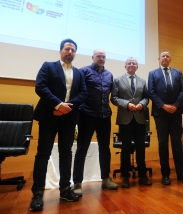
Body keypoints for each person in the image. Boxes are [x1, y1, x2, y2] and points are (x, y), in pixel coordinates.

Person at [30, 39, 87, 211]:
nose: (70, 52)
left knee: (66, 154)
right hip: (49, 116)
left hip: (68, 118)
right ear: (61, 50)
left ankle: (64, 189)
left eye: (73, 50)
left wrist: (66, 108)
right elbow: (40, 87)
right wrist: (58, 105)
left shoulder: (79, 73)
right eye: (67, 49)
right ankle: (38, 193)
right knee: (43, 154)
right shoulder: (48, 66)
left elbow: (83, 93)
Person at [73, 49, 118, 195]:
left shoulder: (109, 75)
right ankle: (77, 183)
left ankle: (105, 178)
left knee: (105, 149)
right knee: (82, 149)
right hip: (87, 115)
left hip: (105, 116)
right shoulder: (83, 71)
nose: (101, 58)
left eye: (104, 56)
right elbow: (77, 92)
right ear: (93, 57)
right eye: (98, 56)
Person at [148, 50, 183, 185]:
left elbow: (182, 90)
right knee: (163, 144)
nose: (165, 58)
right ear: (159, 59)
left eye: (168, 56)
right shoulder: (152, 73)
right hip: (160, 113)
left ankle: (181, 174)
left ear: (171, 59)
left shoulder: (177, 72)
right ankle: (165, 175)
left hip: (176, 112)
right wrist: (163, 106)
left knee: (177, 143)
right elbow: (151, 92)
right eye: (163, 56)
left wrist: (175, 105)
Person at [111, 57, 151, 188]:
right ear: (125, 66)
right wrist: (127, 104)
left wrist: (142, 104)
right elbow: (114, 98)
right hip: (125, 118)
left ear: (137, 67)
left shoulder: (142, 81)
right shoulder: (117, 80)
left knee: (140, 148)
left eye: (134, 63)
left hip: (139, 118)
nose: (131, 65)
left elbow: (146, 97)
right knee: (126, 148)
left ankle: (143, 175)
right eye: (129, 63)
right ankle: (125, 177)